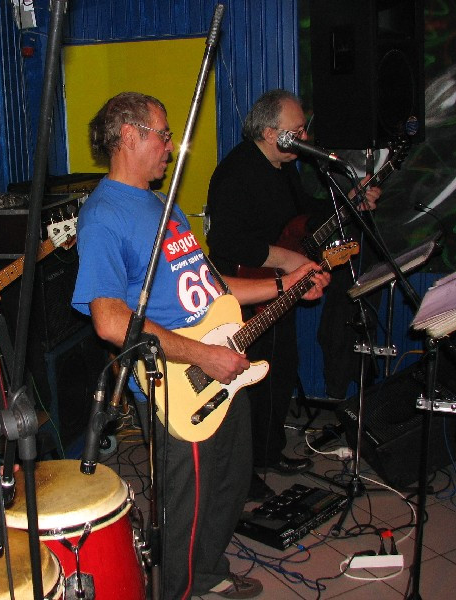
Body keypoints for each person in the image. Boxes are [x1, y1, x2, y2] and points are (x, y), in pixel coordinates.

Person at [72, 92, 330, 599]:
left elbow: (213, 288)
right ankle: (177, 589)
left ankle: (206, 575)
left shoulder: (161, 204)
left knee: (229, 484)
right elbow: (109, 320)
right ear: (129, 136)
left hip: (220, 362)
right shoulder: (104, 215)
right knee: (185, 505)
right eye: (163, 135)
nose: (171, 147)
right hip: (178, 380)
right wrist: (202, 355)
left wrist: (287, 283)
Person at [206, 89, 380, 501]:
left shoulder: (284, 167)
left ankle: (268, 452)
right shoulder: (235, 173)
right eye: (297, 131)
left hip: (279, 289)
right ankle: (242, 473)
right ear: (270, 133)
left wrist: (351, 202)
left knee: (281, 369)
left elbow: (306, 214)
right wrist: (287, 260)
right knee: (246, 383)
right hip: (245, 292)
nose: (304, 137)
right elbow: (227, 242)